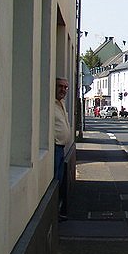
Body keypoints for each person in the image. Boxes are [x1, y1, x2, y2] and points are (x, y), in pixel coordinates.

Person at [53, 76, 71, 217]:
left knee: (59, 181)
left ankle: (58, 211)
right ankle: (56, 212)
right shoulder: (51, 103)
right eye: (60, 86)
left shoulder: (61, 103)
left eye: (65, 87)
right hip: (54, 149)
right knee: (56, 181)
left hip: (61, 149)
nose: (63, 90)